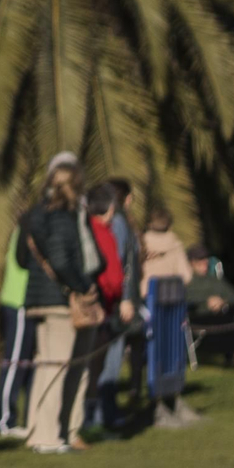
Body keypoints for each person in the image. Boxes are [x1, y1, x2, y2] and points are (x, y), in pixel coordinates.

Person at [18, 160, 96, 455]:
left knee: (45, 366)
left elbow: (23, 258)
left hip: (38, 298)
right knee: (57, 369)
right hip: (58, 300)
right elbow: (62, 260)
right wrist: (82, 285)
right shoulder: (63, 216)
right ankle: (49, 438)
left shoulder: (35, 214)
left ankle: (38, 432)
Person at [82, 183, 132, 434]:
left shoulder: (94, 228)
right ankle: (92, 417)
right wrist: (116, 297)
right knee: (96, 367)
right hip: (99, 306)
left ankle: (92, 417)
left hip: (99, 305)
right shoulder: (101, 231)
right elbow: (111, 274)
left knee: (94, 366)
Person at [0, 226, 33, 437]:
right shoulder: (30, 226)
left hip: (29, 302)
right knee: (14, 362)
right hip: (19, 300)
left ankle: (27, 418)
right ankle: (3, 422)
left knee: (27, 364)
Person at [184, 244, 234, 369]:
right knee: (224, 321)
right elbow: (185, 298)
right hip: (199, 317)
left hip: (221, 314)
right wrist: (207, 300)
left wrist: (222, 301)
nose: (204, 262)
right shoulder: (189, 281)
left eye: (206, 259)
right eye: (200, 260)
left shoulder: (215, 280)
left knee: (228, 316)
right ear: (191, 263)